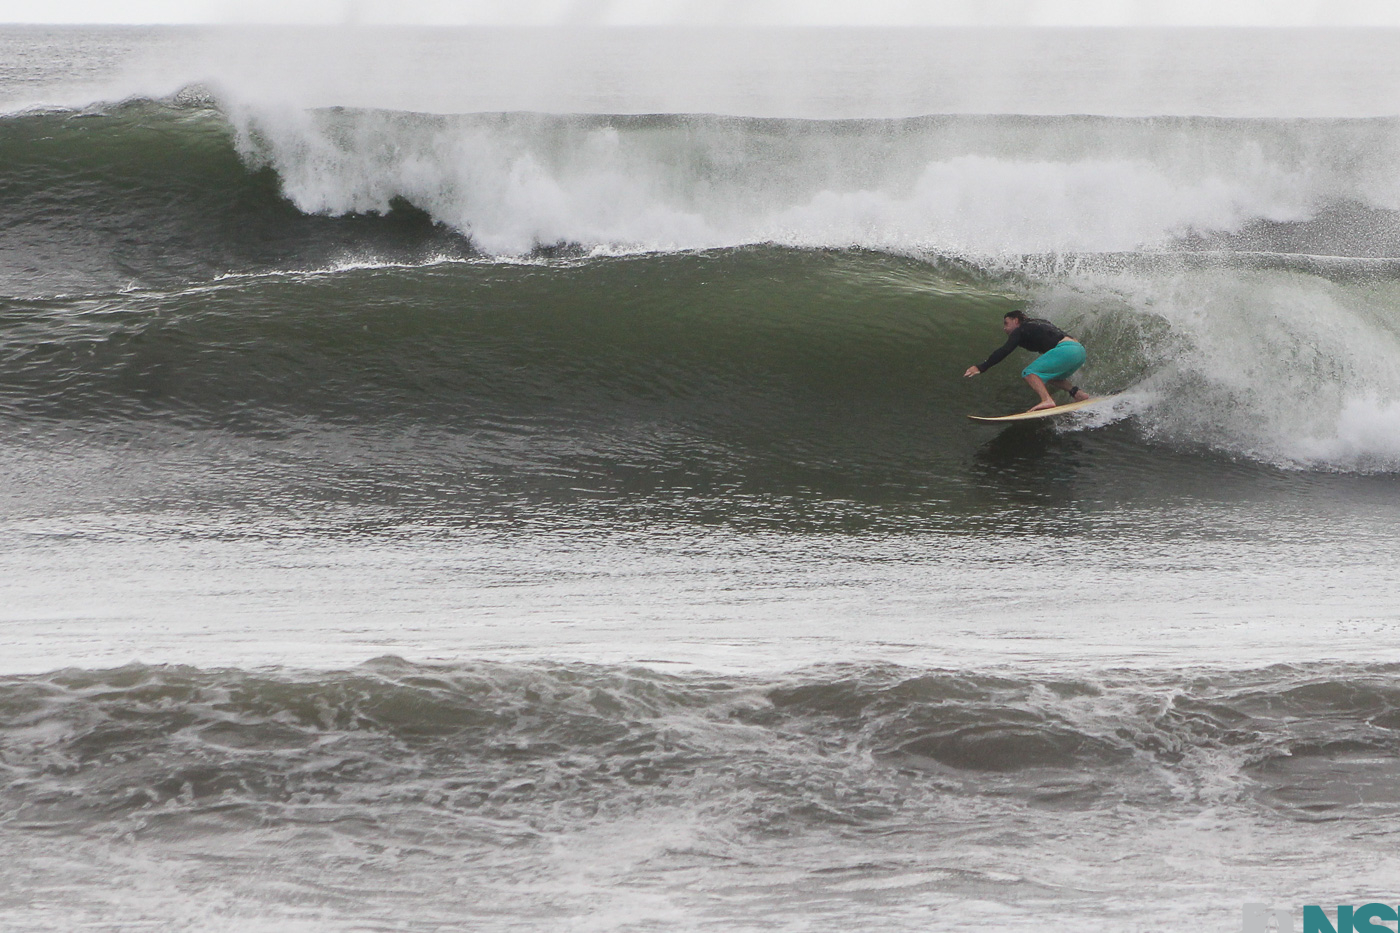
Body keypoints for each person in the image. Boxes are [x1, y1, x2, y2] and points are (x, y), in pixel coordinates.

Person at [963, 310, 1090, 411]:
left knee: (1029, 373)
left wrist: (981, 367)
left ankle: (1047, 400)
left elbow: (1004, 350)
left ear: (1016, 320)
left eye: (1006, 323)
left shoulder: (1021, 329)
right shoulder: (1038, 323)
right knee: (1050, 376)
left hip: (1066, 350)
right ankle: (1078, 394)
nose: (1004, 328)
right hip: (1078, 350)